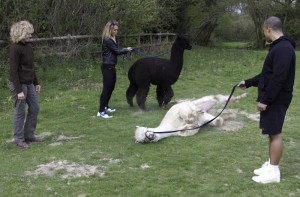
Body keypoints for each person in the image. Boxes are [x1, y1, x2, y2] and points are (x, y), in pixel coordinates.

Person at [238, 16, 296, 183]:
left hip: (277, 99)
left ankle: (274, 172)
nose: (264, 33)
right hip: (274, 98)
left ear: (268, 28)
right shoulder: (278, 47)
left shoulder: (283, 48)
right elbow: (267, 75)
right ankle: (271, 165)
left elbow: (278, 78)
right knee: (271, 132)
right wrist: (248, 82)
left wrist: (265, 100)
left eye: (264, 30)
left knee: (275, 133)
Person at [9, 20, 42, 149]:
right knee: (20, 111)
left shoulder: (28, 46)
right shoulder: (15, 48)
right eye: (28, 34)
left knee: (35, 108)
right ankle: (19, 138)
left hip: (29, 83)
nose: (30, 36)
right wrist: (19, 91)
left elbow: (31, 67)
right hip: (19, 84)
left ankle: (29, 135)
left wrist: (36, 82)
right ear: (21, 33)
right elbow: (13, 71)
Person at [97, 20, 133, 118]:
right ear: (110, 29)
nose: (116, 32)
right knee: (106, 89)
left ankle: (105, 106)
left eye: (117, 30)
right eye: (115, 30)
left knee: (111, 87)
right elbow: (116, 51)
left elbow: (115, 50)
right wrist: (127, 50)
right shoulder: (107, 39)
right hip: (107, 66)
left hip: (111, 66)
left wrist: (126, 49)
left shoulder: (112, 38)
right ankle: (101, 112)